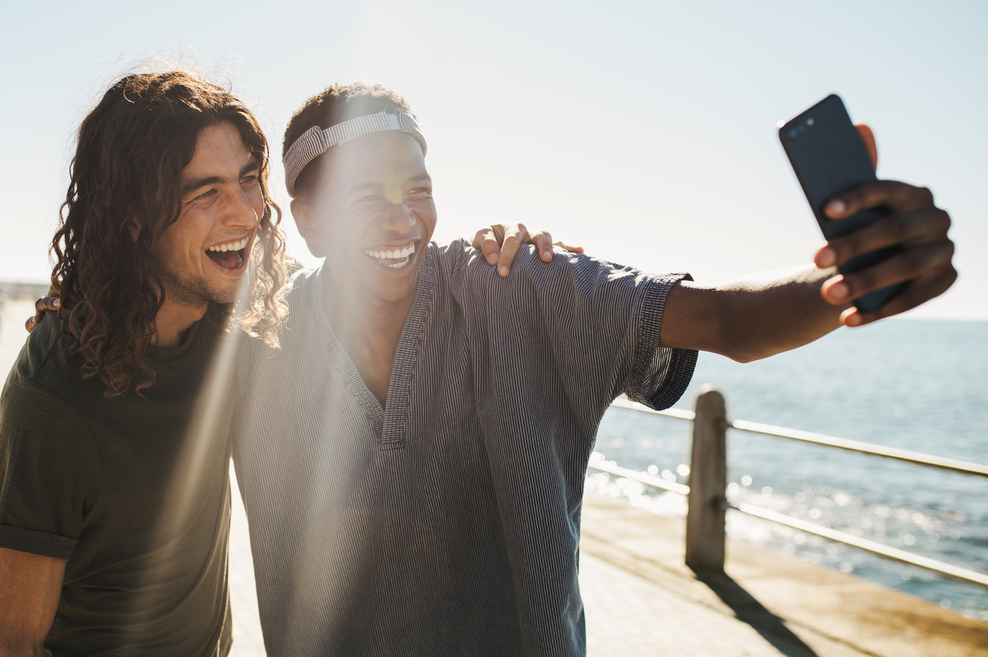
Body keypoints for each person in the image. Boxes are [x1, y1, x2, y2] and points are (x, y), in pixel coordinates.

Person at [229, 83, 956, 656]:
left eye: (417, 190)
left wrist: (849, 280)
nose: (403, 220)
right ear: (308, 218)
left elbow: (725, 320)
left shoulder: (518, 287)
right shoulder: (254, 341)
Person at [0, 70, 553, 657]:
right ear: (131, 215)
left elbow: (346, 286)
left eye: (248, 181)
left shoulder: (229, 326)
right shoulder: (53, 396)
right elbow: (4, 644)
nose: (246, 213)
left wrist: (510, 254)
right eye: (206, 192)